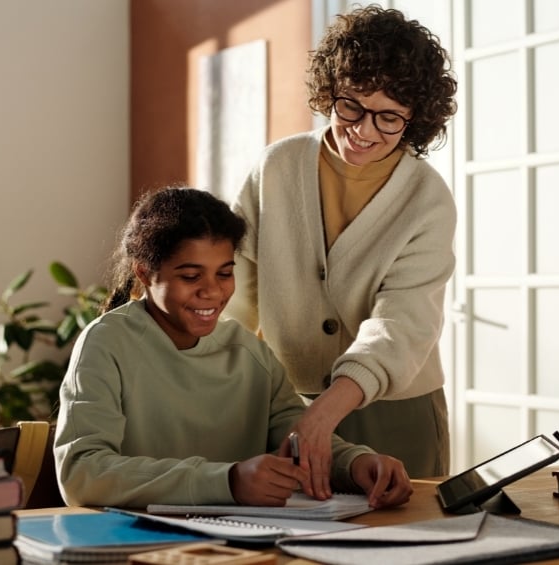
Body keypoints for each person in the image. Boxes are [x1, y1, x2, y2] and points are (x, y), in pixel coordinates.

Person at [53, 186, 413, 510]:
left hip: (243, 545)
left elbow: (296, 437)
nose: (211, 291)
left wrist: (356, 464)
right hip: (140, 544)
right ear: (145, 273)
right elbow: (82, 473)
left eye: (224, 273)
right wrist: (227, 481)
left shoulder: (248, 353)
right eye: (191, 277)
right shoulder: (106, 344)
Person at [224, 5, 458, 487]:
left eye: (389, 117)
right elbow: (233, 296)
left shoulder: (426, 197)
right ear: (330, 90)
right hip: (283, 406)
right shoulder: (277, 167)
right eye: (351, 105)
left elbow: (402, 322)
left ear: (415, 120)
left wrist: (325, 412)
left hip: (396, 413)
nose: (364, 130)